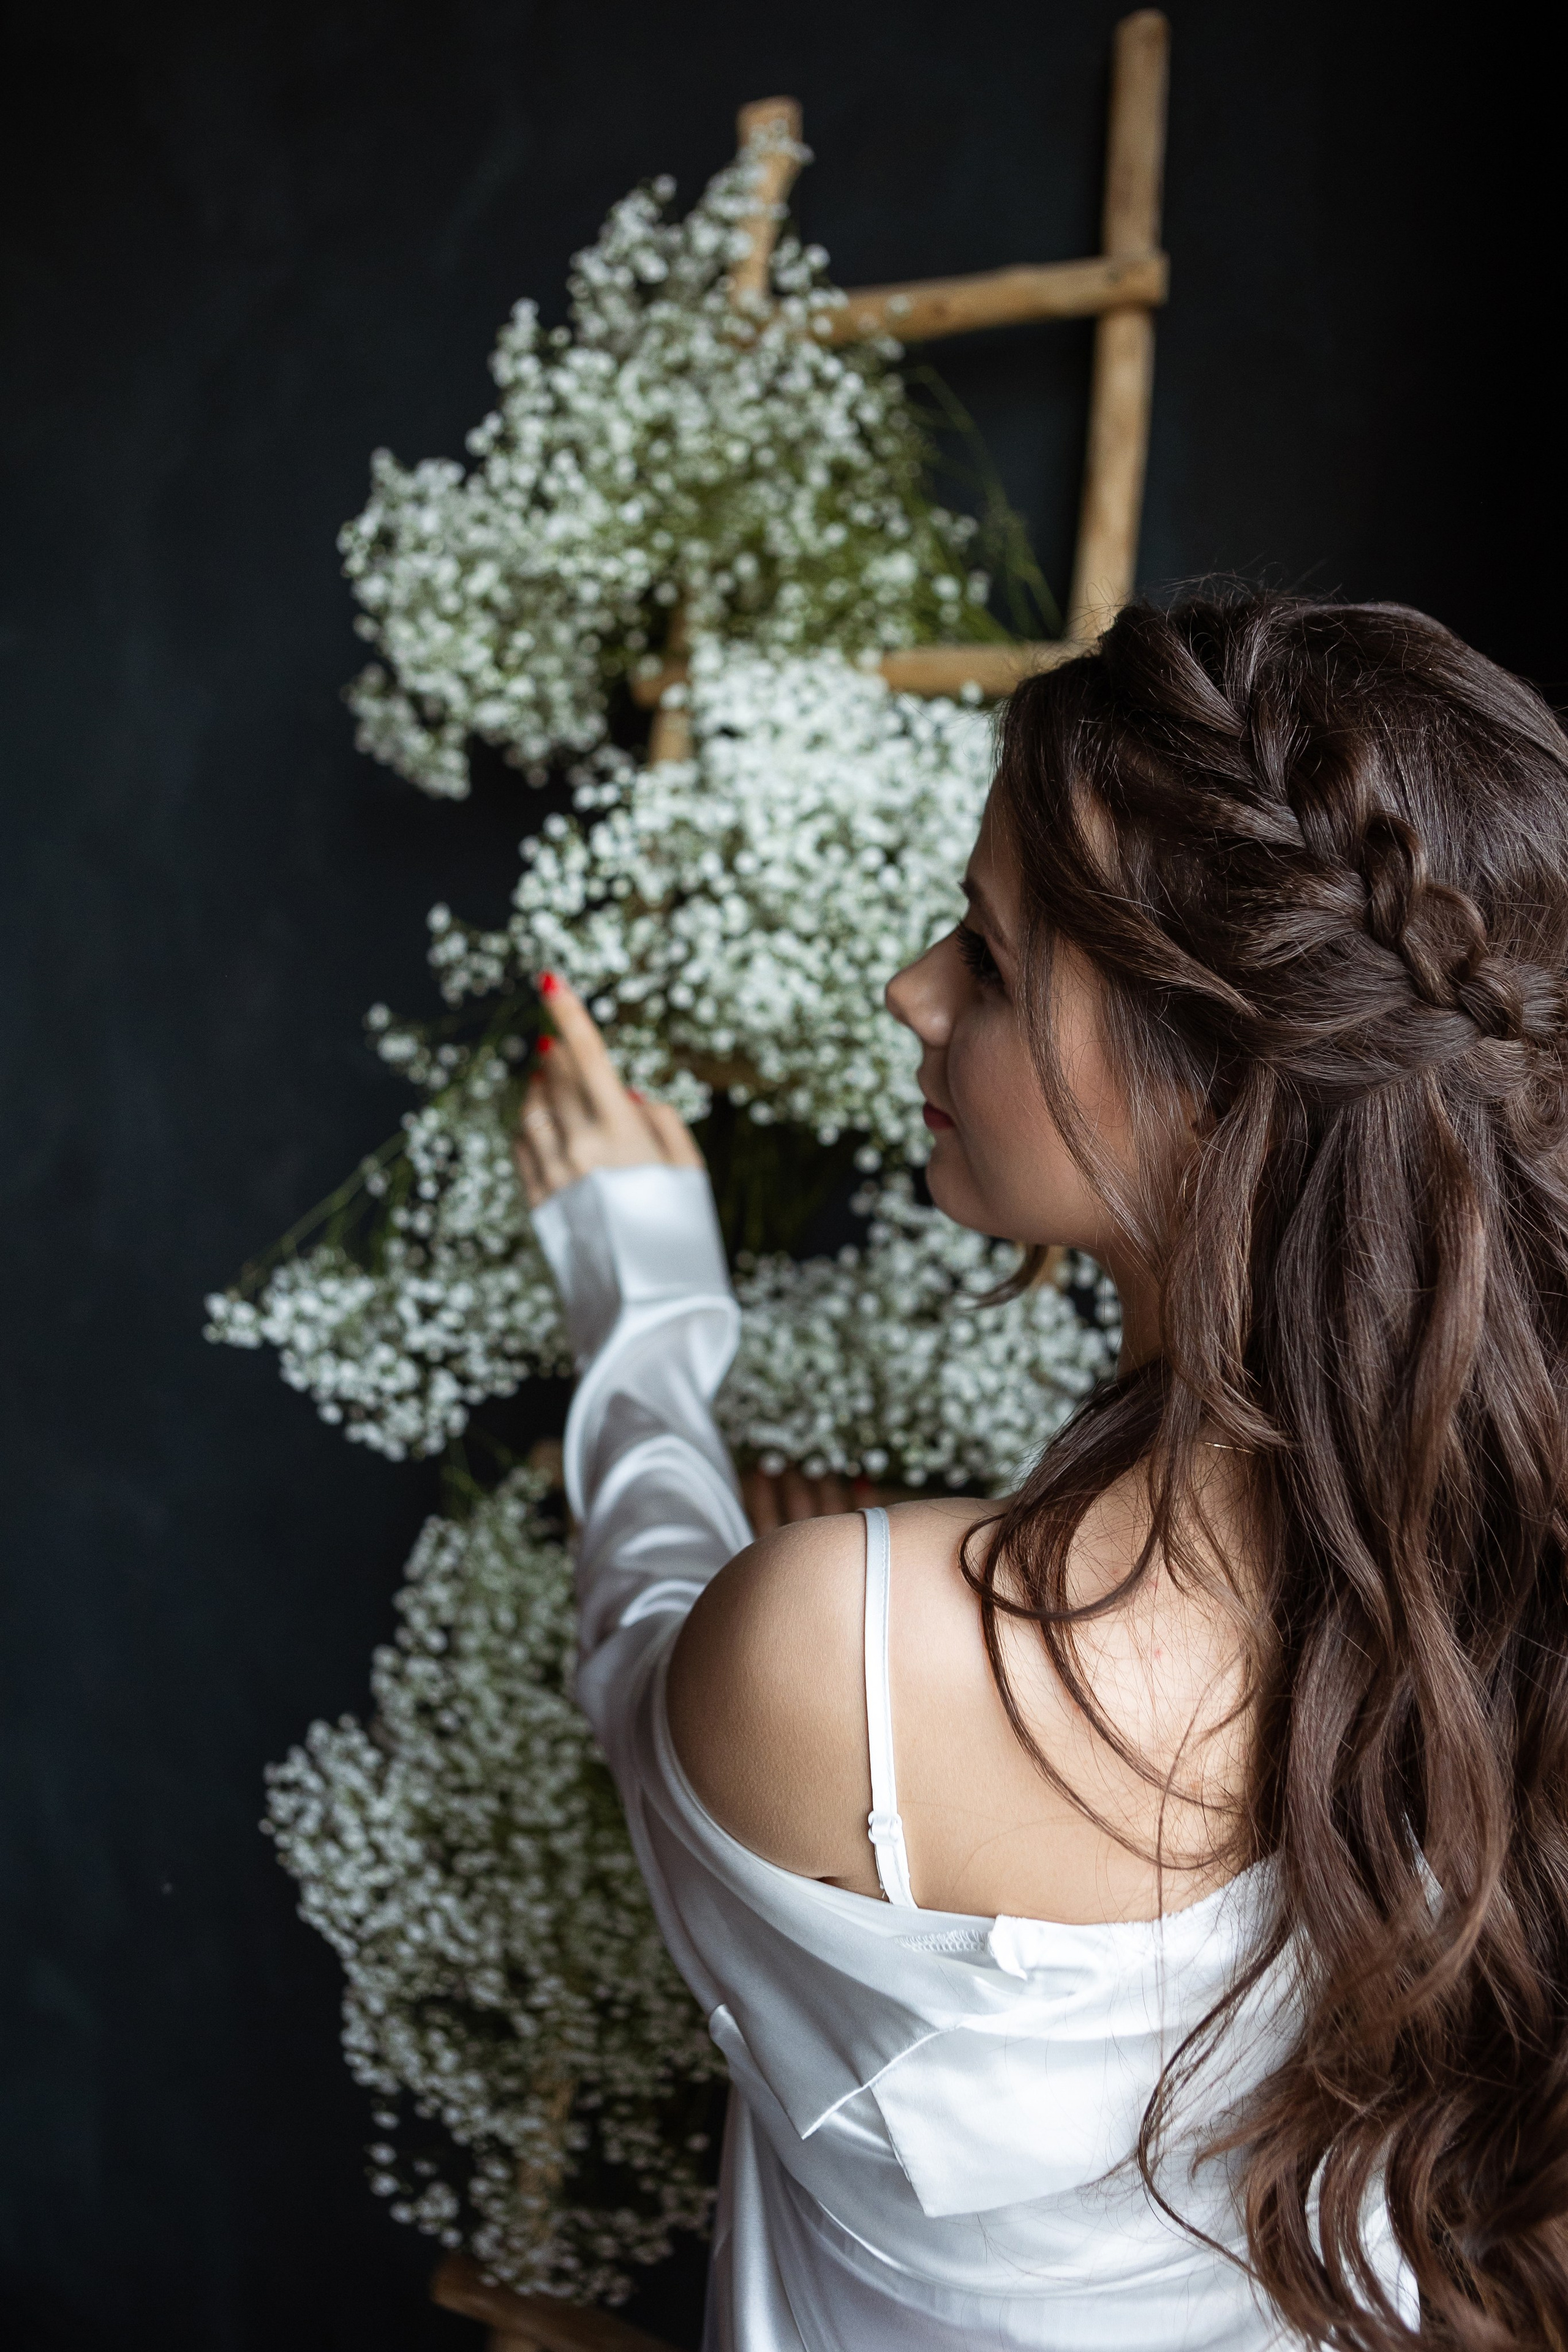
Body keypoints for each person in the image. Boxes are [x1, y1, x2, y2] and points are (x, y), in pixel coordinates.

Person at [512, 593, 1568, 2351]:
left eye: (991, 961)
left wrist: (642, 1288)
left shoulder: (839, 1661)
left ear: (1220, 1098)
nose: (910, 990)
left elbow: (645, 1644)